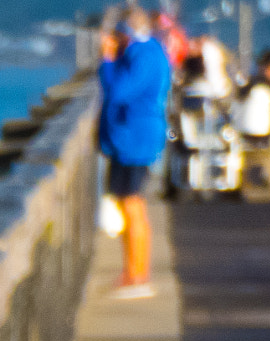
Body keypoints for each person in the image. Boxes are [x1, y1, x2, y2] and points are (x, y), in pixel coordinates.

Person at [99, 5, 172, 299]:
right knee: (128, 204)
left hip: (135, 139)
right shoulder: (146, 52)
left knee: (133, 205)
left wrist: (107, 59)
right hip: (130, 138)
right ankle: (131, 272)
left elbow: (118, 91)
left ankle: (138, 275)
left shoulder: (143, 55)